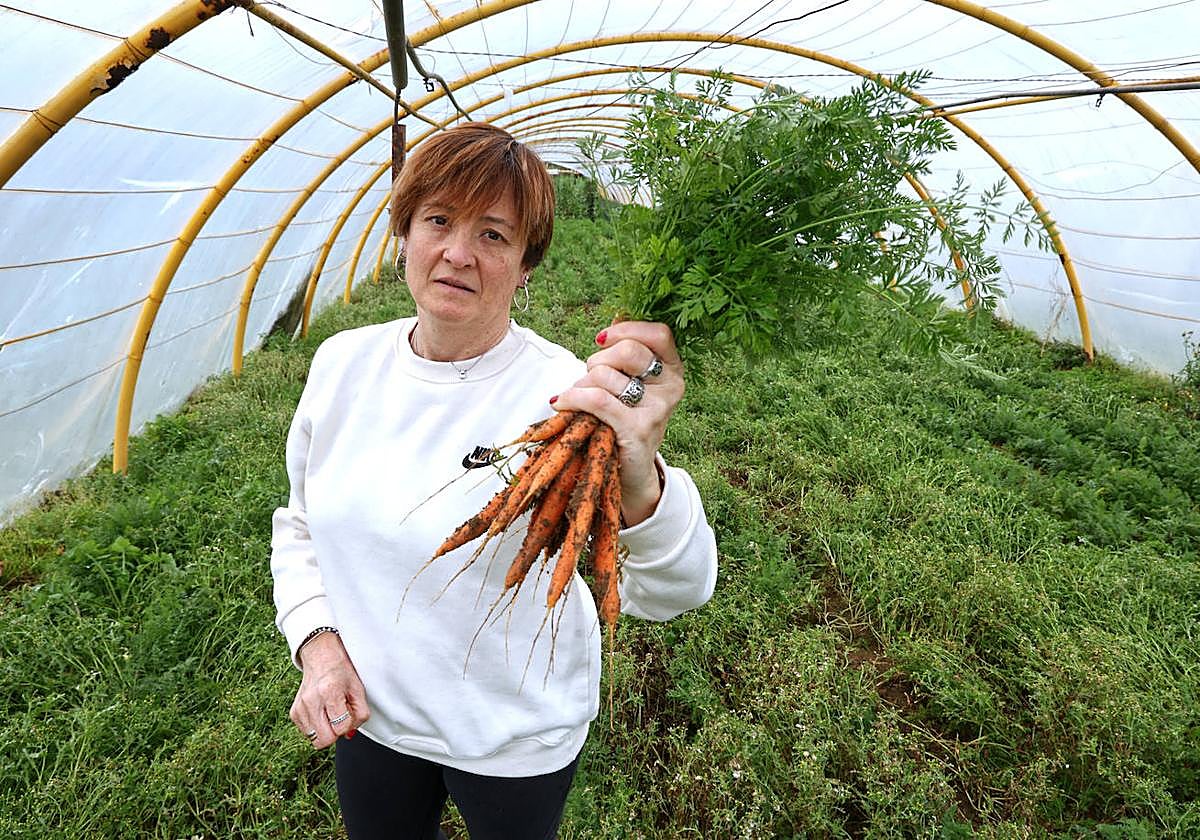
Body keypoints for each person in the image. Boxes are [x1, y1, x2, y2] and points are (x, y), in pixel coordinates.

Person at [270, 122, 717, 840]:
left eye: (494, 235)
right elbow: (299, 524)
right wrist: (318, 645)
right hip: (371, 715)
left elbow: (677, 589)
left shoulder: (573, 396)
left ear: (526, 264)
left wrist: (640, 486)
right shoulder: (341, 363)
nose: (457, 254)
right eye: (439, 221)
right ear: (403, 233)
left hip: (514, 740)